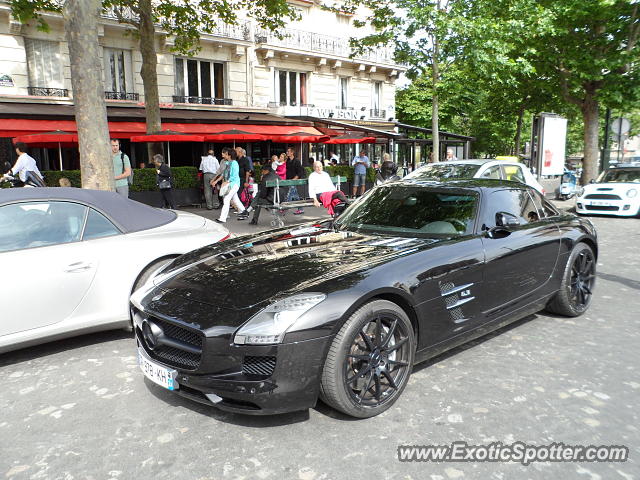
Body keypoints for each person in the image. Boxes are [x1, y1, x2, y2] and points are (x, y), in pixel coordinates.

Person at [216, 147, 247, 224]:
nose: (222, 155)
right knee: (235, 200)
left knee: (226, 199)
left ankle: (223, 218)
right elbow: (224, 174)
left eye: (223, 153)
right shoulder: (229, 163)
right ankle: (244, 212)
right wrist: (217, 181)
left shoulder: (234, 163)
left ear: (228, 154)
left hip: (234, 184)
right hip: (232, 184)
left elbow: (234, 175)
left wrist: (227, 182)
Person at [285, 147, 305, 214]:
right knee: (296, 196)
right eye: (287, 151)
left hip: (294, 180)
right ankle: (301, 208)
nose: (287, 152)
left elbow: (300, 172)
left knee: (290, 193)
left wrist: (294, 180)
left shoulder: (297, 161)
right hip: (289, 180)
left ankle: (285, 207)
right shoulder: (287, 161)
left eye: (288, 151)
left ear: (292, 152)